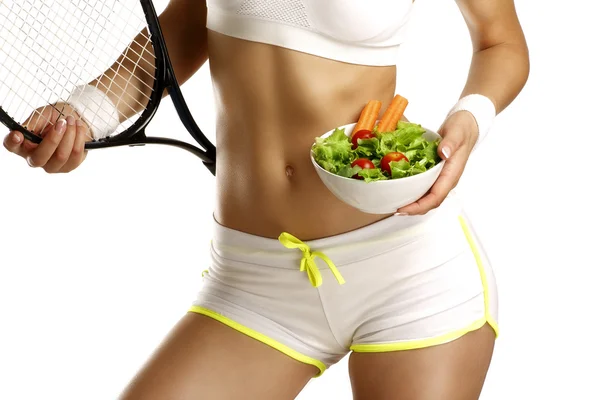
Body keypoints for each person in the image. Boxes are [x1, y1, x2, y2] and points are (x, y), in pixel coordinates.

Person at [3, 0, 529, 398]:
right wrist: (81, 116)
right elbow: (158, 58)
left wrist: (471, 116)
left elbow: (499, 42)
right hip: (255, 281)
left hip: (406, 269)